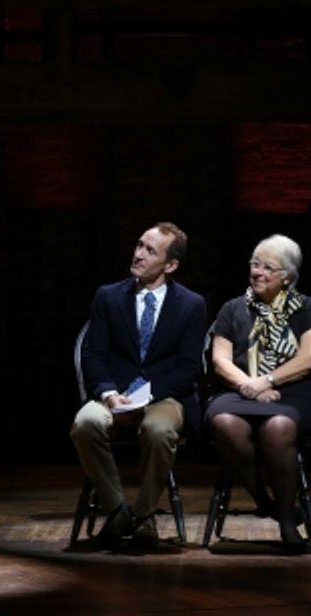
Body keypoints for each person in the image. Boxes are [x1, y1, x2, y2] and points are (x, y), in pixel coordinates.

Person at [71, 223, 207, 549]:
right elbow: (94, 354)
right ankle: (117, 511)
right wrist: (107, 393)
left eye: (150, 250)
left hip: (163, 395)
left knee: (159, 431)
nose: (138, 255)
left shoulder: (191, 305)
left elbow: (189, 368)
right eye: (139, 245)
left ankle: (144, 515)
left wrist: (145, 396)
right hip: (114, 393)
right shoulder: (108, 296)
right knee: (85, 424)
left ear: (171, 265)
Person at [205, 235, 311, 553]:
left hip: (295, 393)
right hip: (240, 389)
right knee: (224, 423)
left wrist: (268, 381)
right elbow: (220, 359)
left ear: (287, 275)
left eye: (268, 267)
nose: (258, 272)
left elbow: (309, 358)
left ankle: (288, 521)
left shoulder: (307, 308)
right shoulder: (233, 308)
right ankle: (268, 503)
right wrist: (250, 385)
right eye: (254, 264)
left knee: (278, 427)